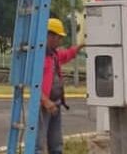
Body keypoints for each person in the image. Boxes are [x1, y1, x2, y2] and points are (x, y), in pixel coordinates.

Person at [37, 18, 85, 154]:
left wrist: (81, 46)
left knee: (56, 145)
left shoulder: (54, 55)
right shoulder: (38, 56)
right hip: (43, 106)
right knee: (38, 146)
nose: (60, 41)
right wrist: (45, 100)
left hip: (55, 105)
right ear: (50, 36)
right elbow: (31, 82)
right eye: (58, 37)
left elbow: (68, 54)